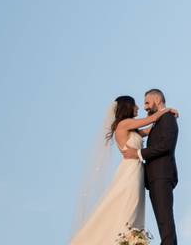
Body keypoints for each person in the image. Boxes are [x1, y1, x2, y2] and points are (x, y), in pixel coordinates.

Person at [71, 95, 178, 244]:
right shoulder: (124, 123)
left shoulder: (130, 128)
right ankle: (124, 238)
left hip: (137, 170)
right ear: (127, 107)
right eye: (135, 105)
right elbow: (150, 120)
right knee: (128, 203)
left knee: (132, 205)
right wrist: (167, 110)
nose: (139, 108)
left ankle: (128, 238)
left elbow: (148, 129)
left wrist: (163, 119)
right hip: (130, 171)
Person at [123, 88, 180, 245]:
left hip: (162, 176)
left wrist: (139, 153)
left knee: (165, 219)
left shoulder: (167, 118)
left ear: (157, 99)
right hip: (154, 178)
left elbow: (166, 145)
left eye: (147, 102)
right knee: (162, 220)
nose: (145, 107)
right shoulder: (158, 121)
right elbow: (146, 128)